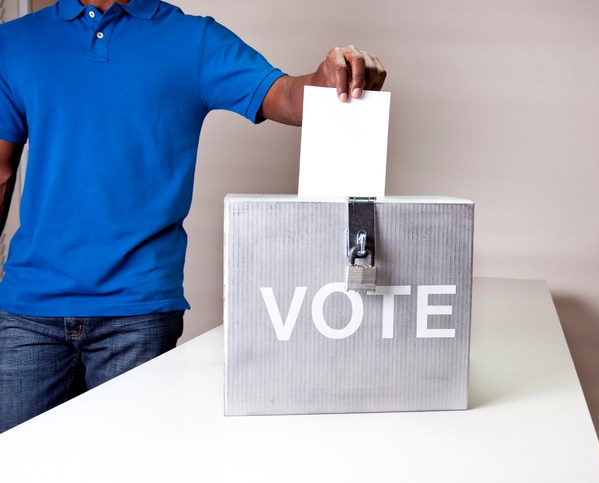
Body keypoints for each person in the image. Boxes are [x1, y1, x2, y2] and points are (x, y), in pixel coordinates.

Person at [0, 0, 386, 433]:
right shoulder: (14, 43)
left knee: (128, 468)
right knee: (11, 465)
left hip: (138, 313)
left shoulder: (194, 40)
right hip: (27, 311)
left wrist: (329, 81)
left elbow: (286, 96)